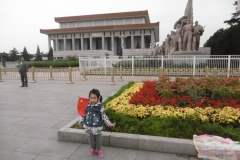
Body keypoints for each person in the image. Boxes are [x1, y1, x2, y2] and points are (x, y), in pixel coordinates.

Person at [78, 89, 114, 158]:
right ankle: (93, 148)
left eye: (94, 98)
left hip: (97, 126)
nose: (92, 100)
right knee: (91, 139)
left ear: (98, 98)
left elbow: (104, 116)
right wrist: (81, 122)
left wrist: (109, 123)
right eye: (91, 98)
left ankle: (99, 150)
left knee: (98, 140)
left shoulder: (100, 107)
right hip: (89, 126)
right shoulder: (87, 106)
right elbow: (83, 115)